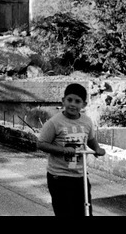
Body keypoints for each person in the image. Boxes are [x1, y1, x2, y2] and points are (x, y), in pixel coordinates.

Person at [37, 82, 106, 216]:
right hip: (59, 176)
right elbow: (41, 144)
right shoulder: (54, 122)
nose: (73, 104)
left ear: (84, 105)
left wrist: (97, 149)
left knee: (85, 211)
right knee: (65, 212)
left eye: (77, 101)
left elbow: (90, 139)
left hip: (80, 175)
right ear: (63, 101)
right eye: (69, 100)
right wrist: (62, 150)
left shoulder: (86, 121)